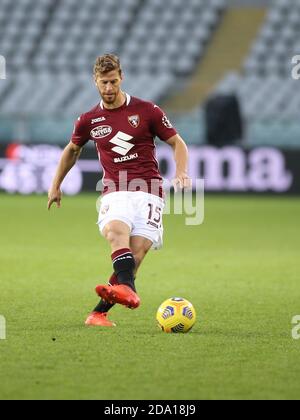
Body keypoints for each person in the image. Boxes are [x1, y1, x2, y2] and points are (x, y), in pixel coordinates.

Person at [48, 54, 191, 327]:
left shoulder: (148, 110)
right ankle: (129, 290)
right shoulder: (89, 119)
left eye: (113, 81)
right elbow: (72, 150)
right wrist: (56, 185)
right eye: (104, 83)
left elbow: (177, 143)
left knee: (134, 257)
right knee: (116, 233)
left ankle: (98, 313)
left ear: (121, 77)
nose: (109, 88)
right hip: (116, 189)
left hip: (150, 190)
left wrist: (182, 172)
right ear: (95, 81)